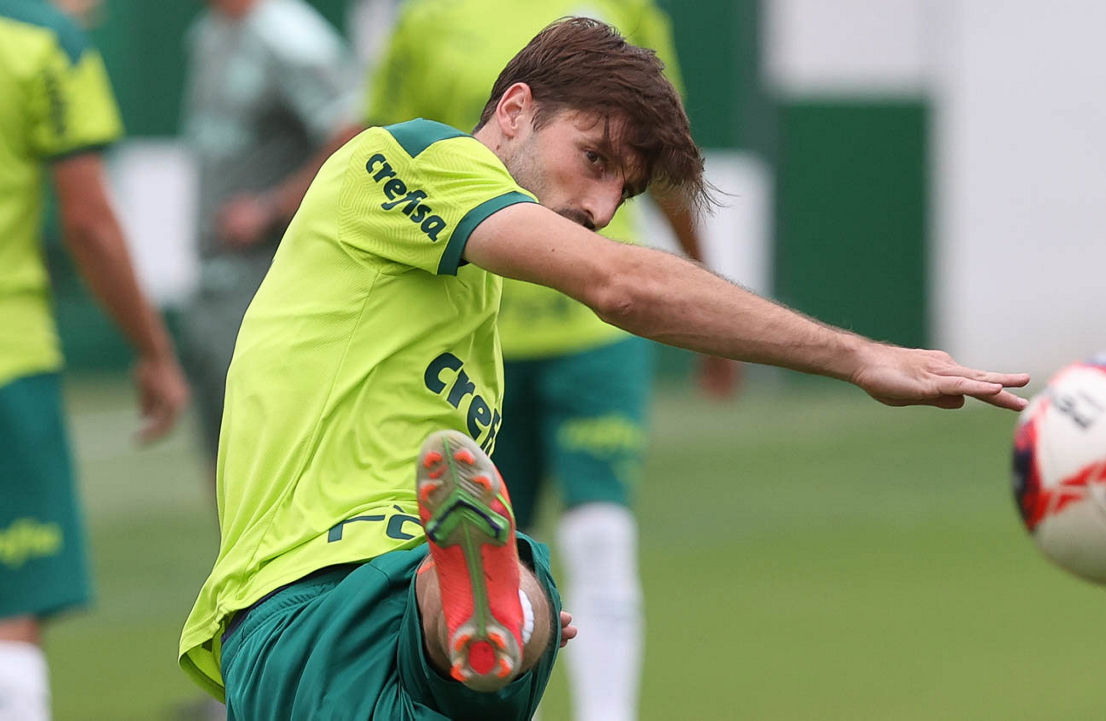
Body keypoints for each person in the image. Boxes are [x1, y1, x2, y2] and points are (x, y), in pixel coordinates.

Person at [179, 18, 1028, 720]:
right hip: (318, 597)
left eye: (624, 193)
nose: (600, 208)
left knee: (532, 575)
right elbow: (621, 283)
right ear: (516, 109)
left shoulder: (464, 309)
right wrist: (861, 355)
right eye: (594, 159)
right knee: (519, 571)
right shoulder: (409, 158)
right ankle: (495, 606)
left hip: (380, 619)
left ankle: (500, 612)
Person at [363, 3, 735, 718]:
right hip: (478, 337)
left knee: (601, 534)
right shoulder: (427, 19)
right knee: (487, 561)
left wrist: (705, 298)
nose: (602, 207)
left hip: (595, 332)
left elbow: (662, 160)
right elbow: (386, 148)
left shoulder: (626, 13)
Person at [0, 1, 189, 718]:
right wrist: (153, 350)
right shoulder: (43, 42)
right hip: (9, 363)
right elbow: (88, 223)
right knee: (11, 610)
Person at [179, 0, 360, 476]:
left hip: (271, 276)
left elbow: (353, 131)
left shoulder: (292, 36)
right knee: (224, 447)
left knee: (270, 447)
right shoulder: (209, 32)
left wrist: (271, 207)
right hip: (217, 277)